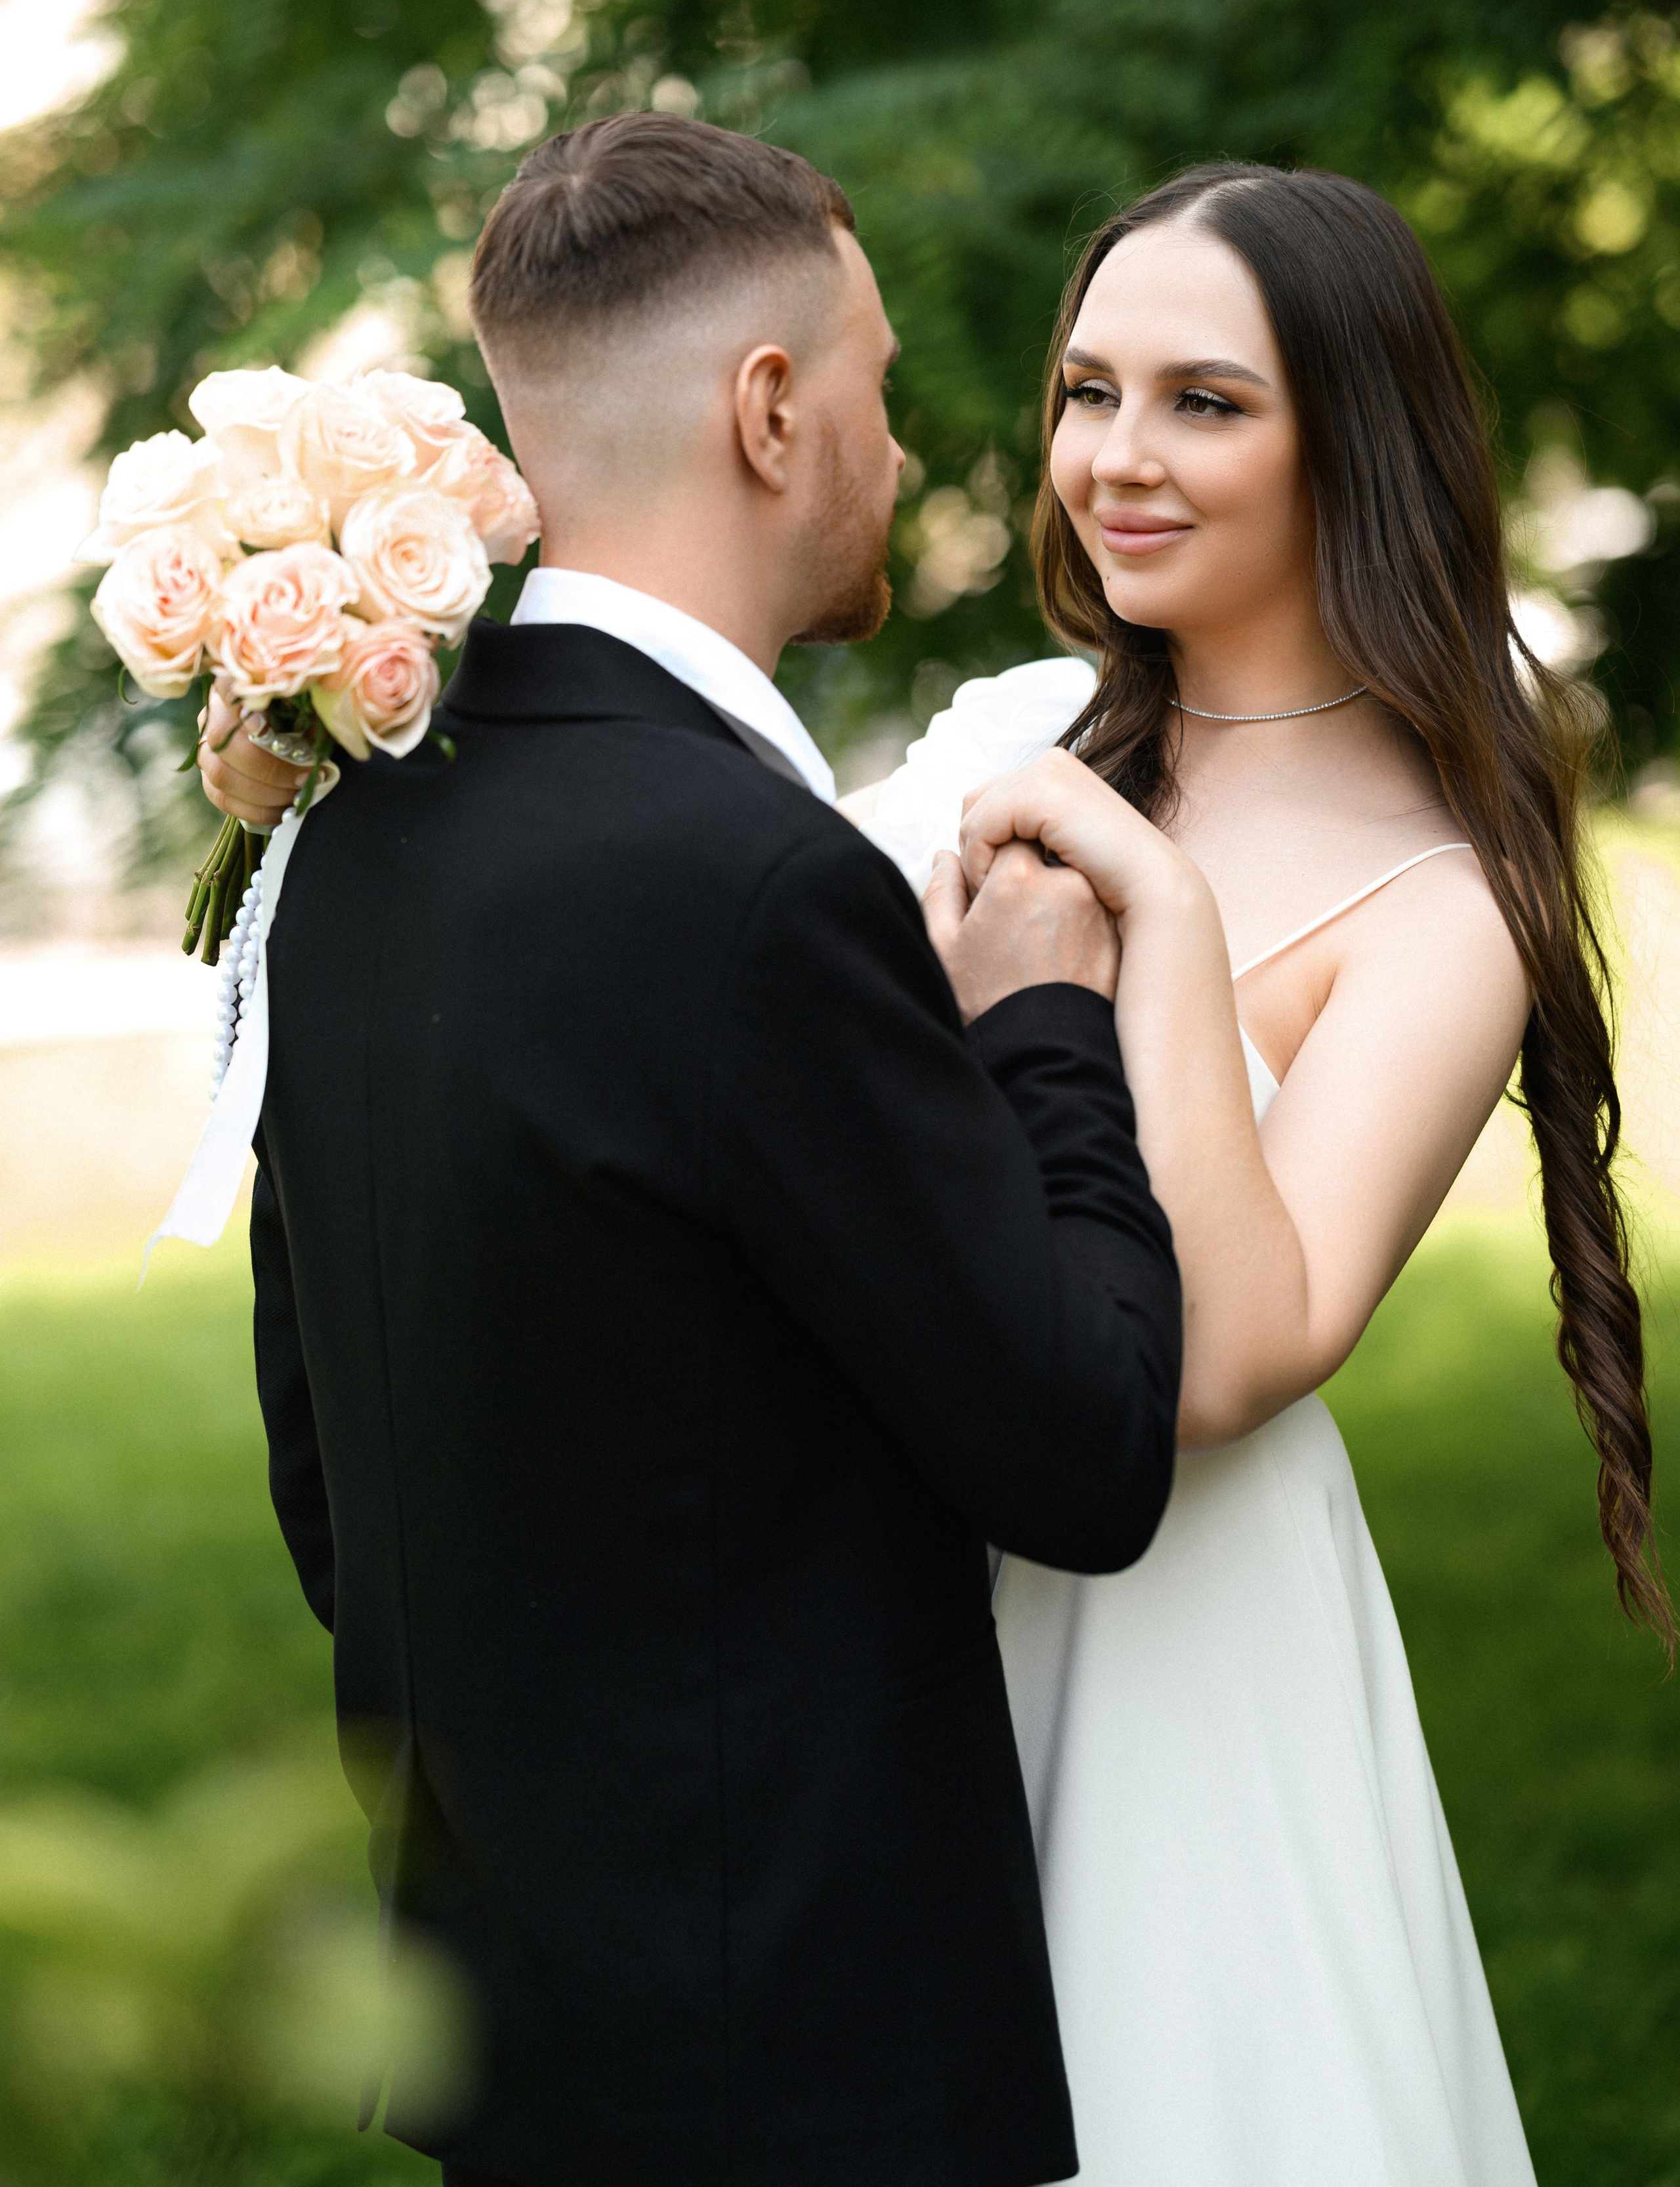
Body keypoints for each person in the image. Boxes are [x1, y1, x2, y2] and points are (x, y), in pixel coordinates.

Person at [200, 115, 1183, 2187]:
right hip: (799, 2063)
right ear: (769, 409)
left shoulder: (345, 834)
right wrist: (1045, 1025)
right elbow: (1085, 1448)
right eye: (884, 390)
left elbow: (331, 1480)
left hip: (517, 2044)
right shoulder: (756, 886)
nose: (904, 457)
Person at [849, 161, 1669, 2185]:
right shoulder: (1014, 725)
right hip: (899, 1584)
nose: (1115, 460)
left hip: (1182, 1646)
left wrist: (1166, 915)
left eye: (1205, 401)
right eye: (1086, 391)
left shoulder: (1444, 894)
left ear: (1351, 437)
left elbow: (1235, 1353)